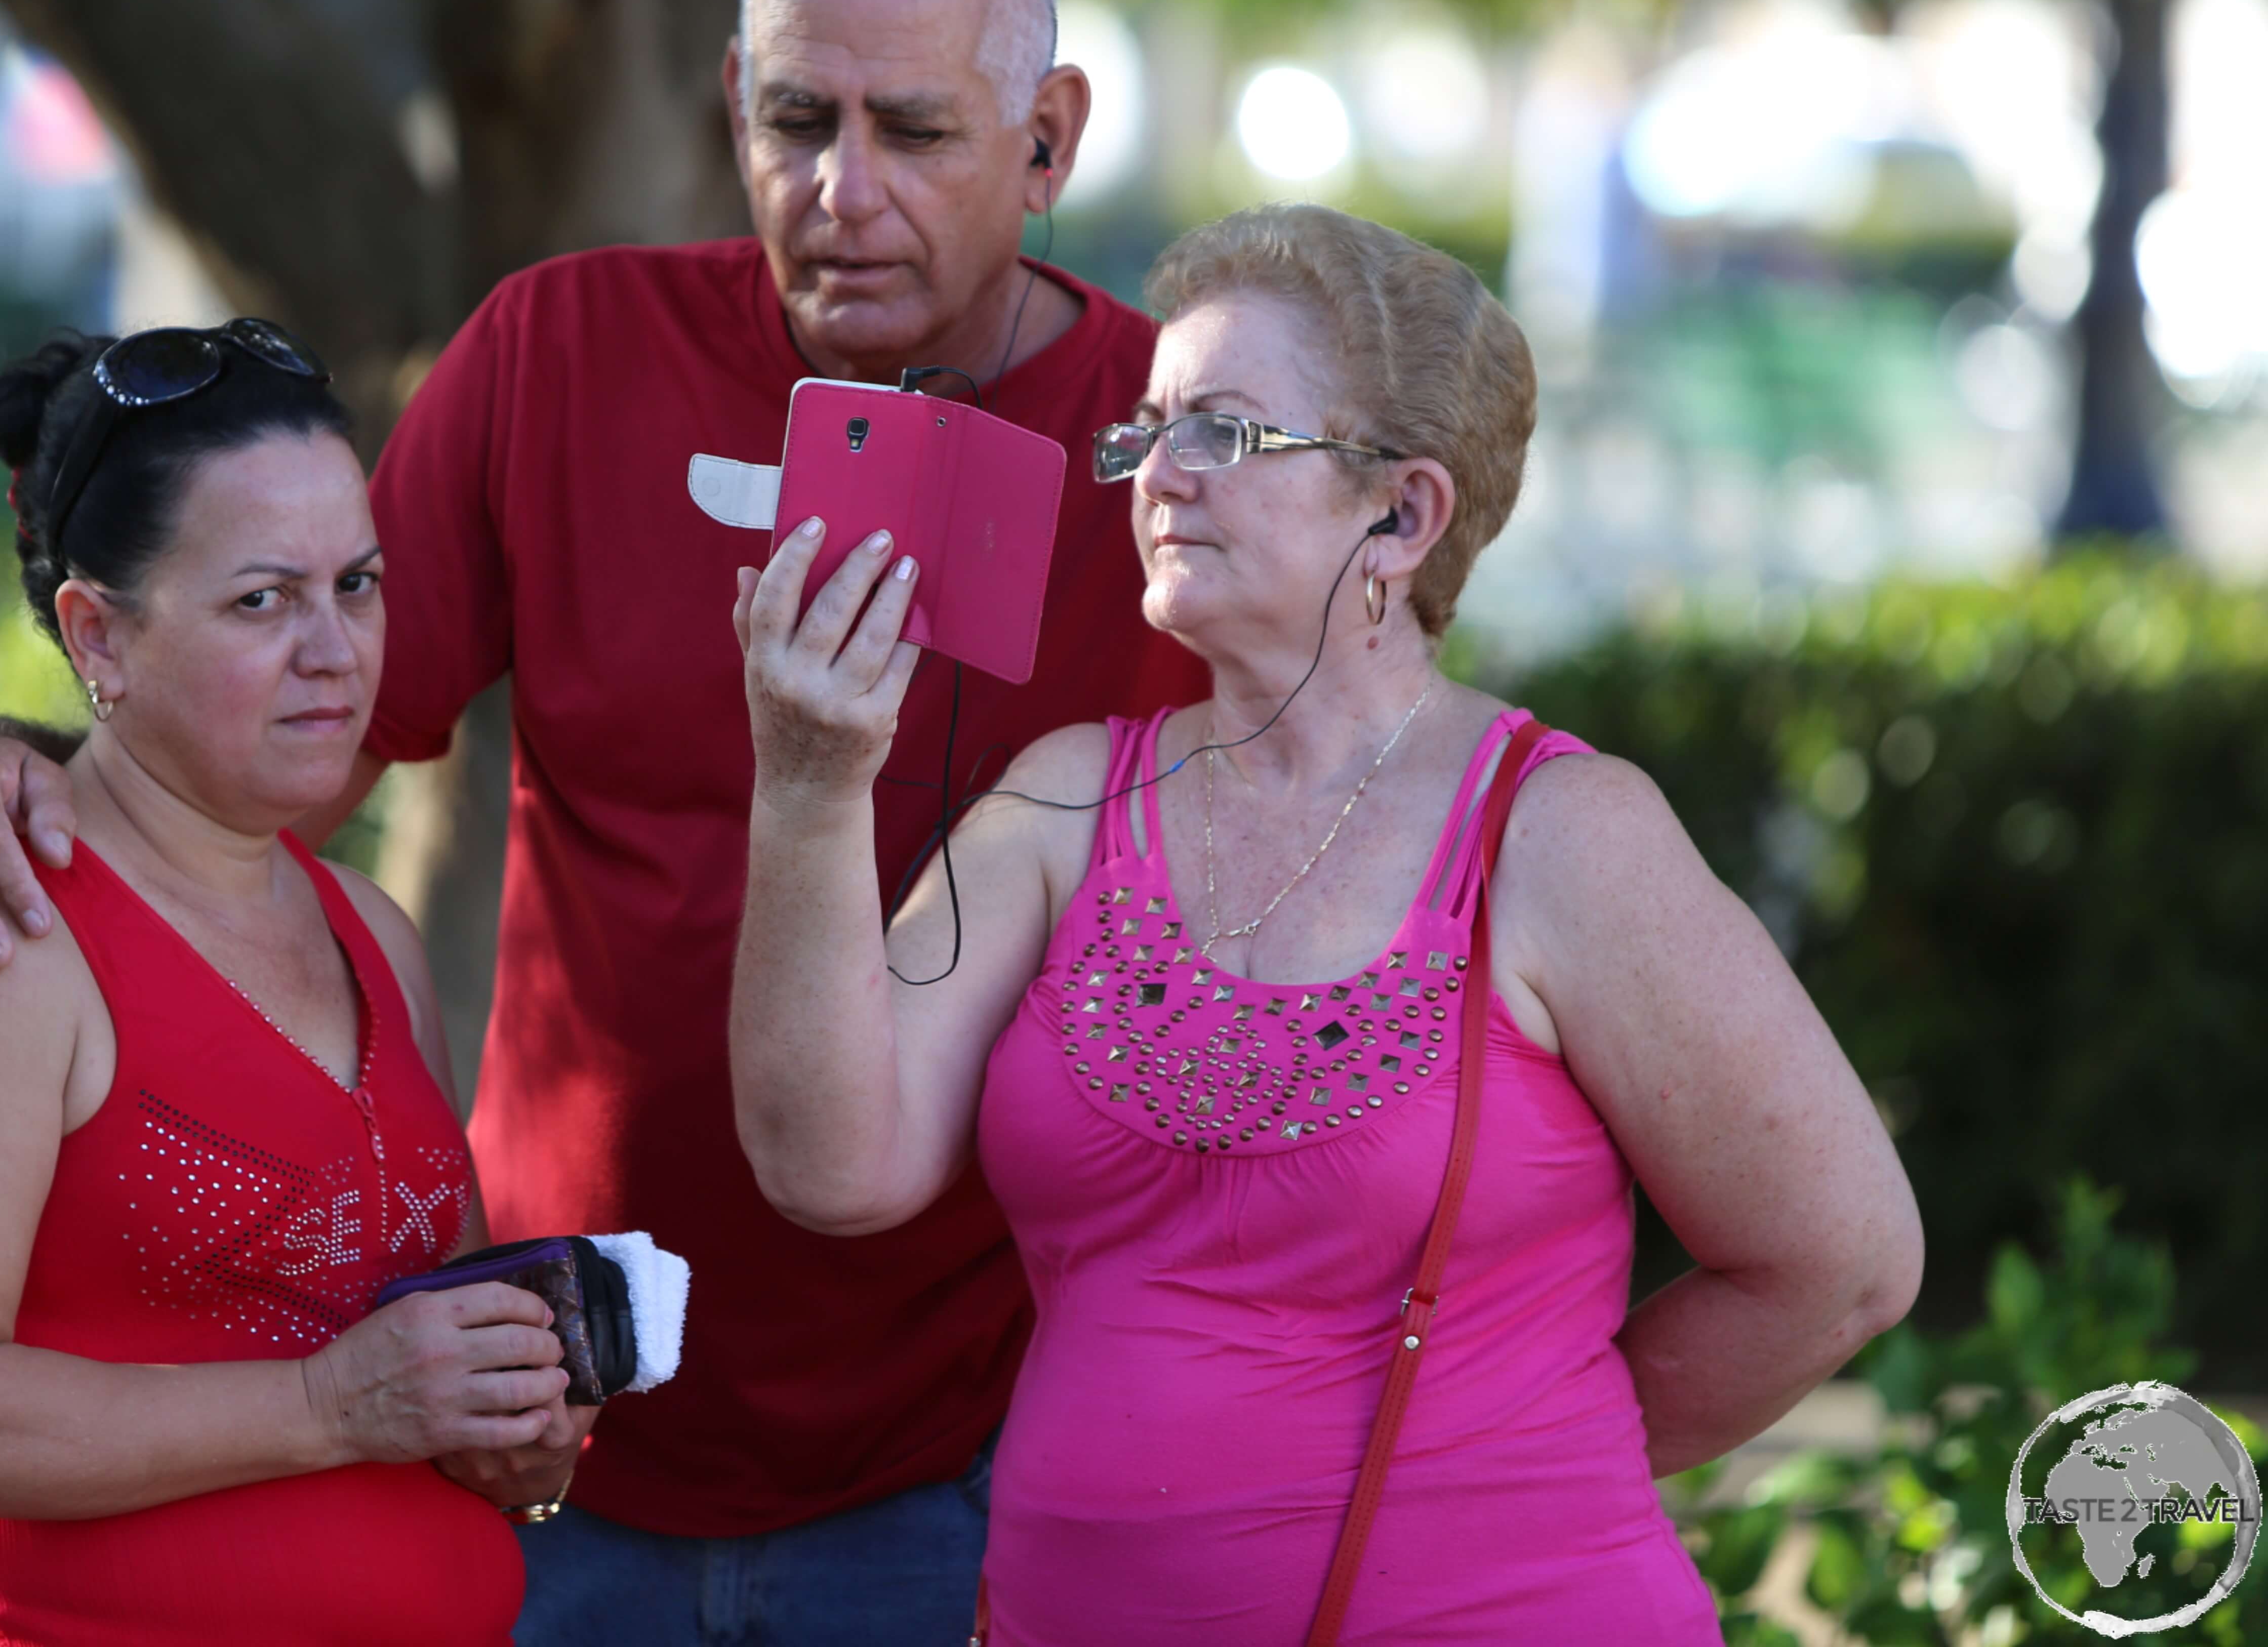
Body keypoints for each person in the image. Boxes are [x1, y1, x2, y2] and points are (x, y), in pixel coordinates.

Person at [0, 0, 1200, 1643]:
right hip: (549, 1443)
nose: (841, 190)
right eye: (795, 120)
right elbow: (278, 714)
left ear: (1050, 136)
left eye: (919, 132)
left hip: (962, 1458)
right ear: (731, 97)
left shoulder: (1165, 453)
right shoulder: (564, 352)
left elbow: (1309, 857)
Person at [728, 204, 1924, 1644]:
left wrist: (1521, 1452)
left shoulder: (1561, 834)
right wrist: (811, 784)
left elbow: (1842, 1259)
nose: (1156, 475)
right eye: (1149, 430)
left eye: (1220, 435)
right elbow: (829, 1164)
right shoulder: (1060, 802)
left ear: (1403, 514)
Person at [0, 319, 593, 1644]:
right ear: (99, 638)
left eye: (358, 584)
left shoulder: (373, 930)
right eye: (262, 600)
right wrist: (333, 1404)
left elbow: (428, 1346)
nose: (336, 649)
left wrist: (512, 1424)